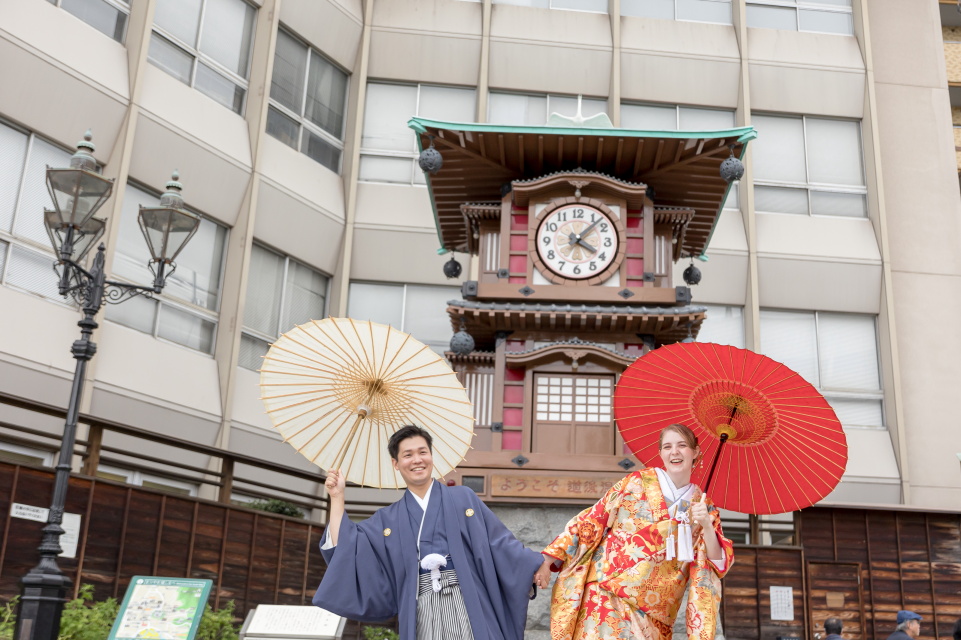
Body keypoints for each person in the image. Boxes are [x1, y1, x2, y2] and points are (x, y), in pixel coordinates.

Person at [313, 425, 544, 640]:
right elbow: (348, 547)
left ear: (431, 456)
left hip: (469, 603)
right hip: (421, 609)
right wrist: (337, 497)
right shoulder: (387, 519)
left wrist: (536, 562)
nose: (417, 460)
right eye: (408, 455)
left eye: (422, 452)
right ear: (395, 463)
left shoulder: (463, 498)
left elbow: (498, 542)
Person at [534, 423, 734, 640]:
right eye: (667, 447)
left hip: (656, 611)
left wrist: (705, 524)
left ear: (695, 451)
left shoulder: (704, 507)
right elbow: (591, 521)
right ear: (660, 453)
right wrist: (547, 561)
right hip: (607, 592)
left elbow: (715, 562)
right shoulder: (636, 483)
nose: (674, 452)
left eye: (682, 445)